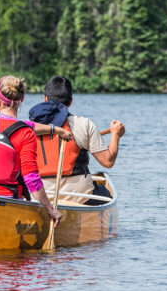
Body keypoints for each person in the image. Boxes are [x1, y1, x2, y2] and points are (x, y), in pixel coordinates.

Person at [0, 75, 70, 226]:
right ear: (22, 100)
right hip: (4, 201)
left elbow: (16, 125)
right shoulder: (26, 134)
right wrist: (50, 209)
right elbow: (31, 179)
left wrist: (54, 130)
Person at [28, 75, 125, 205]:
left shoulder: (29, 128)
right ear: (71, 101)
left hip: (39, 195)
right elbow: (108, 161)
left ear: (45, 98)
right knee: (106, 194)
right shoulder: (84, 124)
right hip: (78, 195)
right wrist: (115, 135)